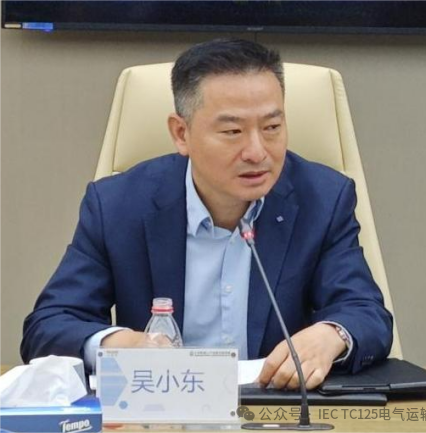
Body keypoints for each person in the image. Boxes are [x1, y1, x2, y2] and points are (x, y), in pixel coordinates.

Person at [21, 38, 393, 390]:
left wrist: (330, 336)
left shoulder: (323, 199)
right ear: (181, 133)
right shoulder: (118, 205)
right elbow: (49, 326)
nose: (257, 152)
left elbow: (365, 313)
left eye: (272, 128)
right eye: (232, 131)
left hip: (275, 410)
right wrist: (121, 344)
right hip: (160, 410)